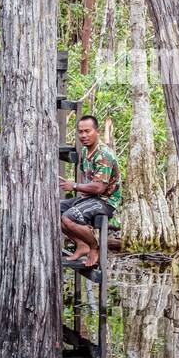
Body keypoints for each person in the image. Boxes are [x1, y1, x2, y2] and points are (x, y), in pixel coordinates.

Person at [59, 114, 121, 268]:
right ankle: (82, 244)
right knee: (53, 210)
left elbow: (100, 187)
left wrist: (74, 186)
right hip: (90, 198)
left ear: (97, 131)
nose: (84, 135)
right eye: (80, 132)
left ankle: (94, 247)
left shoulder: (104, 154)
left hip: (106, 201)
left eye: (87, 131)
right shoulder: (86, 152)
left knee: (69, 217)